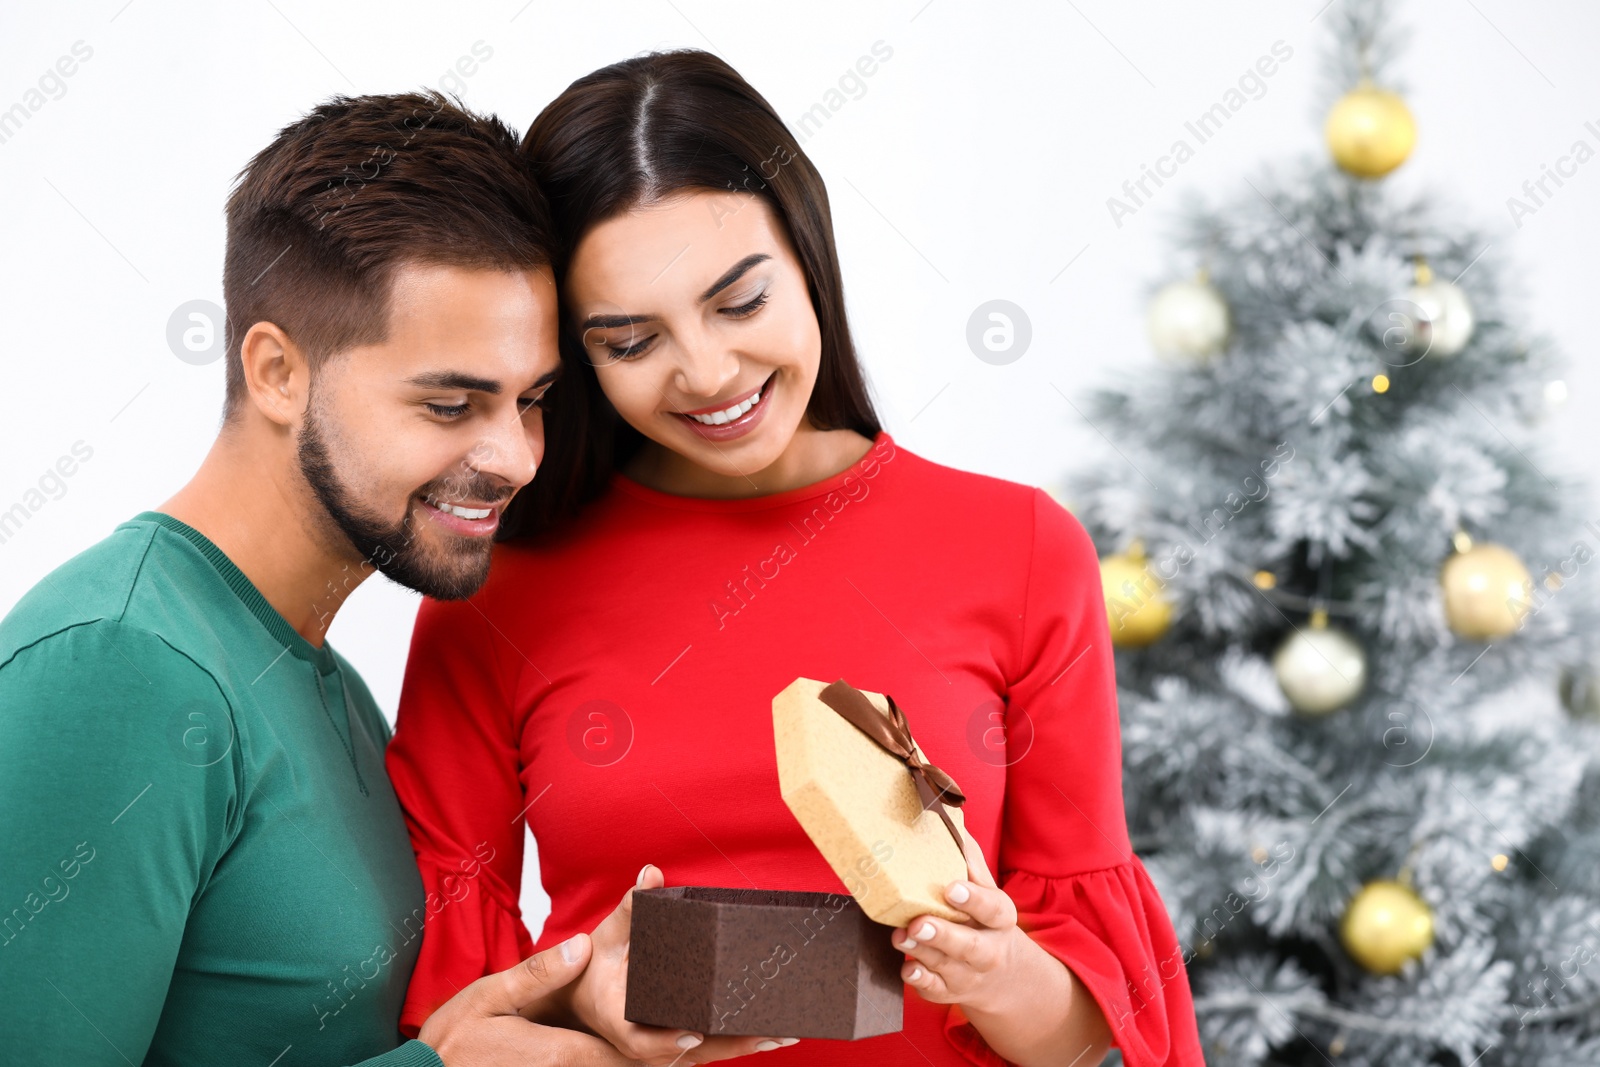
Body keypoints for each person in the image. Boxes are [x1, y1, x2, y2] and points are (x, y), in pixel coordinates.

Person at [387, 52, 1204, 1067]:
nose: (708, 371)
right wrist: (587, 1000)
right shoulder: (500, 586)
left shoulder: (1021, 549)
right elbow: (448, 1005)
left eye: (738, 302)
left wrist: (998, 971)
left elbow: (1096, 1033)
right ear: (574, 352)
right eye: (631, 340)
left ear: (807, 252)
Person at [0, 90, 632, 1067]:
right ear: (276, 371)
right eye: (451, 401)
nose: (514, 455)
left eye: (531, 400)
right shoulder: (121, 666)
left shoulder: (321, 681)